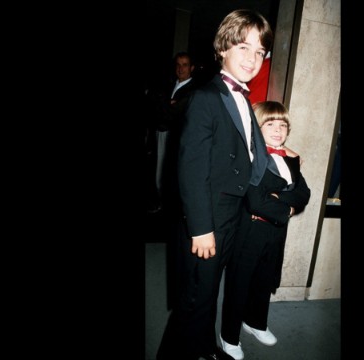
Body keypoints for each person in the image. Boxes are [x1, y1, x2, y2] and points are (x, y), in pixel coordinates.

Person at [156, 9, 273, 360]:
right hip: (208, 218)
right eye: (243, 47)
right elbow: (190, 170)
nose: (252, 59)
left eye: (259, 51)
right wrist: (201, 229)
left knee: (206, 293)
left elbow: (251, 160)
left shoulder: (243, 101)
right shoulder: (206, 97)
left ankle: (203, 348)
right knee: (197, 297)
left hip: (232, 215)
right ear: (223, 48)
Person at [219, 101, 311, 359]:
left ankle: (256, 322)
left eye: (283, 125)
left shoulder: (291, 158)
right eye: (270, 124)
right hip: (249, 231)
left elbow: (304, 193)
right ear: (257, 129)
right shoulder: (251, 158)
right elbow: (256, 200)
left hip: (276, 232)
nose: (278, 130)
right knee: (240, 283)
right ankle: (229, 336)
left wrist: (283, 204)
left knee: (264, 279)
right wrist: (286, 203)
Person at [149, 52, 197, 214]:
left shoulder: (193, 90)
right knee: (157, 170)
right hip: (161, 133)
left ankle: (167, 208)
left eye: (184, 65)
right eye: (178, 64)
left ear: (191, 68)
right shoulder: (170, 85)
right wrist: (165, 104)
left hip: (177, 138)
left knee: (169, 174)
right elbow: (155, 108)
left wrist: (165, 104)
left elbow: (171, 113)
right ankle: (160, 203)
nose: (180, 68)